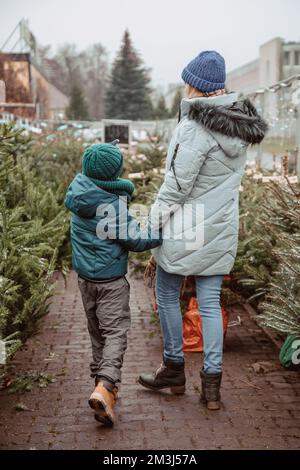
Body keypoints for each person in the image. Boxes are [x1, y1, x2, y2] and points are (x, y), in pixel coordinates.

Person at [139, 51, 267, 410]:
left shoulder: (193, 128)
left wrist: (151, 228)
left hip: (185, 229)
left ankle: (174, 368)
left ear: (194, 84)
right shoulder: (239, 128)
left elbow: (175, 188)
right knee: (209, 304)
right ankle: (211, 387)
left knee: (167, 295)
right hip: (220, 228)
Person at [65, 143, 161, 425]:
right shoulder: (112, 205)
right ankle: (106, 384)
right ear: (114, 173)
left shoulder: (80, 192)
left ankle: (103, 389)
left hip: (85, 281)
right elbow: (135, 240)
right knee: (116, 333)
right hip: (110, 281)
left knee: (98, 333)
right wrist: (161, 235)